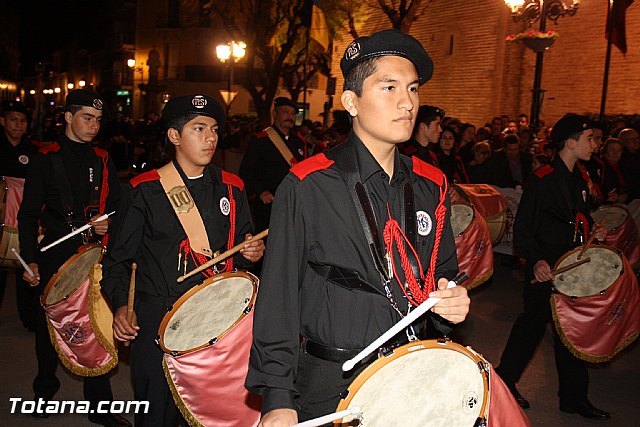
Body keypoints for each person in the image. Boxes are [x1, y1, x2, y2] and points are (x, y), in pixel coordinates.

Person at [245, 29, 470, 426]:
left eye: (413, 89)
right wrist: (277, 397)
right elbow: (279, 296)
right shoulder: (307, 184)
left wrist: (450, 301)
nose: (407, 102)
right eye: (389, 87)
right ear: (351, 101)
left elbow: (443, 272)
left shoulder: (431, 183)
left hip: (413, 369)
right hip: (332, 381)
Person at [101, 94, 264, 426]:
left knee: (211, 413)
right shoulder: (143, 190)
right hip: (159, 318)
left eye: (215, 129)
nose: (211, 138)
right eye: (199, 128)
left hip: (218, 321)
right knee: (156, 413)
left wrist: (253, 253)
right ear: (174, 136)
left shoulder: (232, 188)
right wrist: (120, 304)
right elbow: (117, 260)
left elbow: (246, 247)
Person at [17, 90, 129, 426]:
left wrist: (110, 220)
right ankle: (44, 386)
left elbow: (119, 206)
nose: (93, 125)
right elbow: (27, 214)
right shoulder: (45, 158)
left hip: (94, 251)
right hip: (55, 251)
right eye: (86, 118)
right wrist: (29, 258)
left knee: (94, 324)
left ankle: (99, 405)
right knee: (48, 323)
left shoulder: (103, 159)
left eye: (97, 120)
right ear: (68, 117)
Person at [495, 114, 610, 420]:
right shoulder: (543, 179)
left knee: (570, 333)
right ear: (570, 142)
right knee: (531, 326)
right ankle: (503, 381)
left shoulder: (580, 178)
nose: (595, 144)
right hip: (546, 267)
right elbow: (523, 229)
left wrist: (593, 232)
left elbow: (578, 218)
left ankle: (573, 397)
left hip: (571, 269)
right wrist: (536, 261)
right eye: (589, 139)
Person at [239, 97, 305, 232]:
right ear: (275, 114)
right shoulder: (261, 140)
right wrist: (260, 191)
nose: (290, 116)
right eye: (285, 112)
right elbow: (246, 171)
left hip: (293, 203)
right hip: (269, 204)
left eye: (293, 113)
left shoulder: (299, 141)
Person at [0, 100, 39, 331]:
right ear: (3, 121)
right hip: (2, 214)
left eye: (22, 121)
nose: (18, 125)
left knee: (26, 264)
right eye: (13, 120)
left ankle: (29, 317)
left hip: (23, 215)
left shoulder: (33, 152)